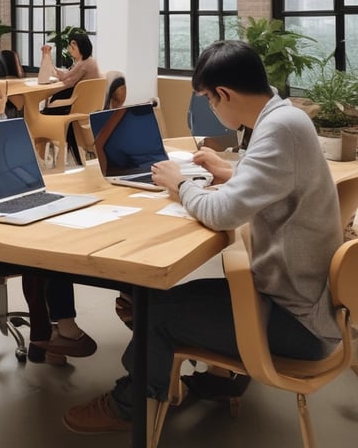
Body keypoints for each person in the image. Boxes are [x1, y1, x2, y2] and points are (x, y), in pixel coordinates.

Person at [63, 39, 342, 434]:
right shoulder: (284, 116)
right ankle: (215, 378)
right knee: (157, 299)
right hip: (302, 303)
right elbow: (275, 180)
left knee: (154, 311)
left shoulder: (279, 129)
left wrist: (181, 185)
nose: (211, 108)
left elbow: (221, 212)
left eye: (210, 100)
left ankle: (132, 404)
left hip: (299, 323)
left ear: (224, 93)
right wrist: (231, 172)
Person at [0, 55, 97, 367]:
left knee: (53, 234)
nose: (0, 97)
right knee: (36, 248)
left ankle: (55, 333)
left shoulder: (7, 122)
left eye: (3, 91)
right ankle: (46, 334)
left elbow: (29, 172)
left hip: (10, 203)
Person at [41, 31, 101, 163]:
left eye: (73, 47)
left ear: (81, 47)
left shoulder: (84, 64)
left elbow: (66, 80)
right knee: (52, 101)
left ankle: (45, 144)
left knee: (44, 112)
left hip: (77, 105)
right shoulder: (87, 61)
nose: (70, 50)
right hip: (85, 104)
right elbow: (67, 76)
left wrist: (48, 61)